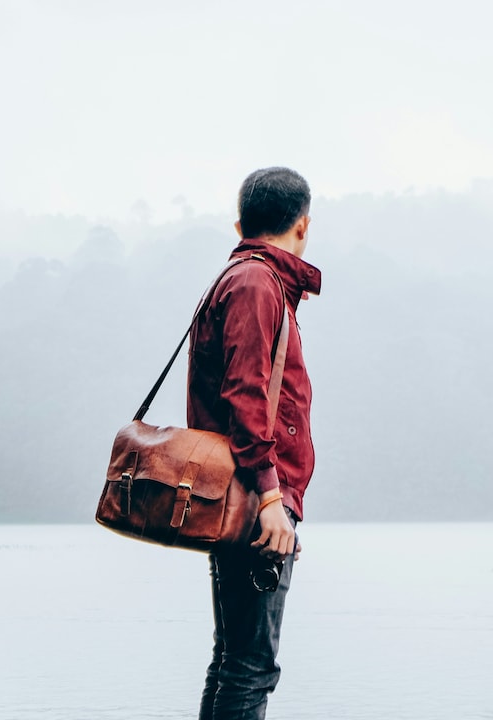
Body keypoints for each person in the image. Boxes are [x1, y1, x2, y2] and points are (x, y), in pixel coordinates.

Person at [187, 167, 322, 719]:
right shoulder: (256, 284)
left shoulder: (246, 279)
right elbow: (245, 396)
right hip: (253, 501)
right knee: (249, 668)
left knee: (234, 662)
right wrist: (271, 499)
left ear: (241, 223)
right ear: (304, 226)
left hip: (243, 497)